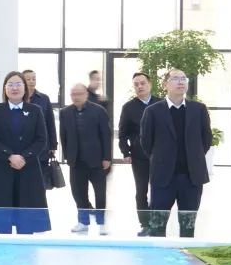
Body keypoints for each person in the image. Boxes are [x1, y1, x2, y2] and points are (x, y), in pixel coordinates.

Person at [140, 69, 213, 238]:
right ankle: (158, 254)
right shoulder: (153, 111)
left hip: (191, 177)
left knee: (188, 227)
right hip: (163, 177)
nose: (181, 82)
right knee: (157, 227)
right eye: (175, 78)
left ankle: (185, 254)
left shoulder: (199, 109)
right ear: (165, 84)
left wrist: (194, 156)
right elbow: (146, 143)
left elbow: (206, 139)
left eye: (183, 78)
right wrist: (161, 158)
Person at [0, 71, 51, 235]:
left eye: (18, 84)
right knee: (2, 218)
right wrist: (10, 156)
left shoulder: (35, 110)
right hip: (1, 166)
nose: (14, 88)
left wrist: (24, 157)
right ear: (5, 89)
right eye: (10, 84)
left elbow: (41, 139)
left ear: (25, 88)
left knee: (27, 218)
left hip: (28, 167)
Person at [59, 83, 112, 235]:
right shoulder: (65, 112)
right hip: (76, 162)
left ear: (86, 94)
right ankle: (83, 222)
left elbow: (106, 136)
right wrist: (68, 157)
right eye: (73, 94)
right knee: (79, 193)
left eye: (79, 94)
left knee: (100, 194)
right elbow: (63, 136)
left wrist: (107, 157)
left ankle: (101, 223)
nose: (76, 97)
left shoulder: (99, 111)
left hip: (97, 161)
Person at [118, 72, 155, 236]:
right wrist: (125, 152)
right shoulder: (128, 107)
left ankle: (157, 223)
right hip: (139, 156)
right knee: (141, 191)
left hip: (161, 156)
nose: (140, 86)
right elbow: (122, 134)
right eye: (136, 84)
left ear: (150, 84)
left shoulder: (161, 104)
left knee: (159, 189)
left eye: (143, 83)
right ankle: (145, 224)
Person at [22, 69, 58, 184]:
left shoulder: (44, 98)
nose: (31, 81)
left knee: (40, 181)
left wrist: (53, 145)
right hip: (22, 147)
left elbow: (50, 122)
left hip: (42, 147)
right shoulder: (18, 98)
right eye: (28, 79)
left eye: (34, 79)